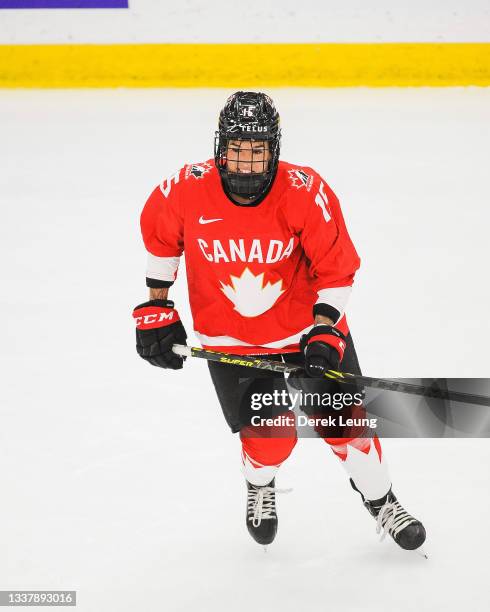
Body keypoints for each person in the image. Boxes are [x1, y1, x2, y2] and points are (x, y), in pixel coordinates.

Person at [132, 91, 426, 552]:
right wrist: (156, 308)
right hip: (233, 344)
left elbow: (336, 266)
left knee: (349, 429)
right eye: (236, 151)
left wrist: (326, 329)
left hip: (306, 334)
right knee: (273, 440)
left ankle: (382, 501)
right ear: (219, 148)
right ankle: (259, 485)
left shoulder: (305, 191)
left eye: (257, 152)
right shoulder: (182, 189)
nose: (246, 164)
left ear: (274, 149)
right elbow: (163, 243)